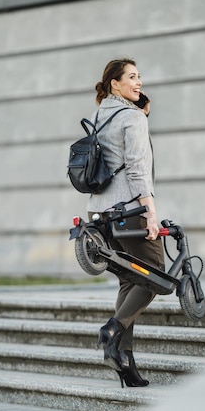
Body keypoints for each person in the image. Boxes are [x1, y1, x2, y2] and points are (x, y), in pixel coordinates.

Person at [88, 58, 165, 388]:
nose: (139, 82)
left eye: (140, 77)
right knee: (156, 276)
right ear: (115, 84)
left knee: (129, 281)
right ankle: (113, 329)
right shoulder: (131, 117)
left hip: (101, 214)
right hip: (129, 211)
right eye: (131, 77)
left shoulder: (100, 115)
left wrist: (141, 111)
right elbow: (135, 168)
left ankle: (125, 362)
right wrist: (150, 210)